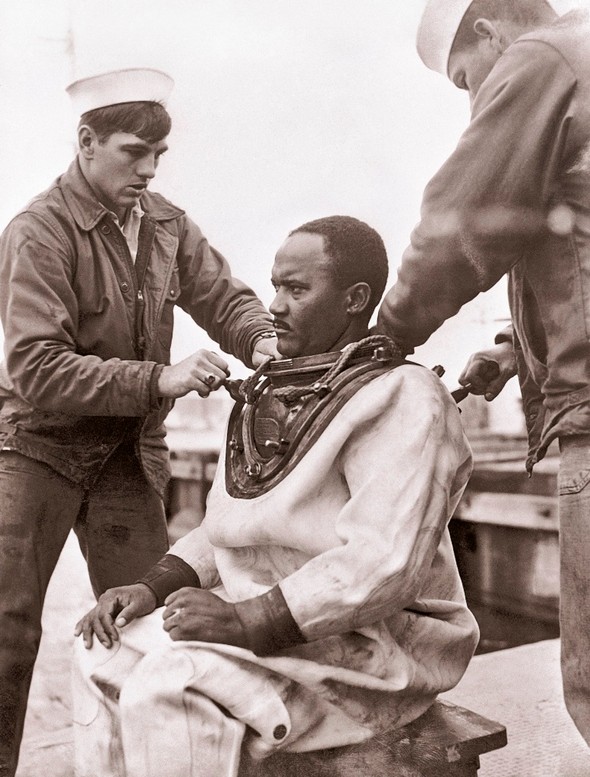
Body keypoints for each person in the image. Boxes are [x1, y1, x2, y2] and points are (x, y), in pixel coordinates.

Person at [73, 214, 479, 777]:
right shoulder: (278, 391)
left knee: (172, 685)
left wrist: (246, 620)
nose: (276, 306)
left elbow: (381, 565)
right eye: (275, 286)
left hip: (377, 652)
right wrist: (151, 586)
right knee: (101, 649)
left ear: (355, 299)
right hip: (286, 637)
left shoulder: (406, 396)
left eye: (297, 288)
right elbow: (235, 526)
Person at [0, 67, 278, 776]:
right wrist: (162, 377)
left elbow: (224, 296)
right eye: (134, 153)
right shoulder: (38, 231)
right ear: (87, 142)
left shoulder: (166, 225)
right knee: (5, 630)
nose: (150, 170)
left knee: (149, 625)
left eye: (159, 155)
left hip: (126, 453)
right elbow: (35, 366)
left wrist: (264, 342)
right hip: (37, 446)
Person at [376, 0, 590, 744]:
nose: (474, 101)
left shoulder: (540, 59)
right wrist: (513, 348)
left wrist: (384, 338)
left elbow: (464, 220)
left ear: (491, 32)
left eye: (467, 79)